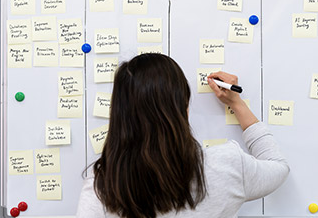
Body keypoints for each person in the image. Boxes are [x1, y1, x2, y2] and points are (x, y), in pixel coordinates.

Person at [76, 53, 289, 218]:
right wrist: (237, 104)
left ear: (119, 114)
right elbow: (278, 166)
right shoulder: (227, 165)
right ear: (184, 107)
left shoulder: (102, 185)